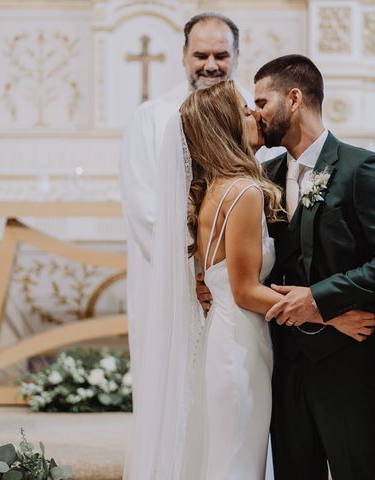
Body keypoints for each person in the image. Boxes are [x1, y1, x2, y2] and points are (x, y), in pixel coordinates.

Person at [253, 54, 375, 479]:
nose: (256, 114)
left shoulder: (360, 168)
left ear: (293, 98)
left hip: (350, 363)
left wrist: (320, 300)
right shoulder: (264, 175)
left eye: (263, 102)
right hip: (283, 362)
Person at [120, 12, 276, 479]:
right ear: (183, 55)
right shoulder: (152, 117)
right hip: (177, 281)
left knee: (230, 418)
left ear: (237, 56)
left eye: (221, 55)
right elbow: (148, 211)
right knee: (180, 391)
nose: (210, 64)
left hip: (233, 282)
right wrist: (199, 273)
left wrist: (221, 274)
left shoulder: (252, 112)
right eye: (201, 54)